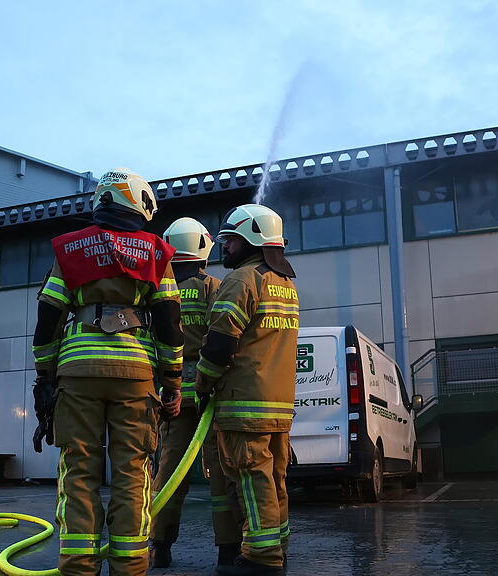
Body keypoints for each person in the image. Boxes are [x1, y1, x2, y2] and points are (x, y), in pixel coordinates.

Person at [31, 168, 183, 576]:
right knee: (133, 469)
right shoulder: (155, 252)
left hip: (77, 372)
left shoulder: (71, 251)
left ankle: (79, 565)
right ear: (137, 203)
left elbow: (48, 316)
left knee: (79, 469)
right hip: (136, 375)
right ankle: (130, 566)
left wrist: (44, 376)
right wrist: (172, 381)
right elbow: (169, 323)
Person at [195, 204, 299, 576]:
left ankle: (261, 558)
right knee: (274, 480)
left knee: (252, 479)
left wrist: (202, 383)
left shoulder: (242, 279)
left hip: (244, 404)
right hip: (279, 405)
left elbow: (221, 342)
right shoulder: (285, 284)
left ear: (252, 240)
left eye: (231, 241)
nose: (225, 248)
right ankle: (278, 549)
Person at [150, 217, 241, 569]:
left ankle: (159, 546)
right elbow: (223, 338)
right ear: (203, 248)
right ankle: (228, 550)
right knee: (220, 474)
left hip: (170, 395)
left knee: (170, 470)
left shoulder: (158, 287)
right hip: (208, 395)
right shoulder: (215, 287)